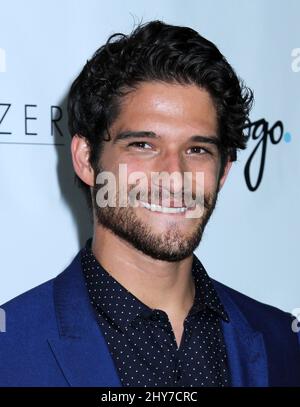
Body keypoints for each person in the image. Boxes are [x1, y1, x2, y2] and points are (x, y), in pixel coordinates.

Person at [0, 20, 299, 387]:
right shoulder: (10, 349)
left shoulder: (283, 342)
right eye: (143, 145)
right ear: (86, 159)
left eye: (197, 149)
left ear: (223, 172)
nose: (174, 175)